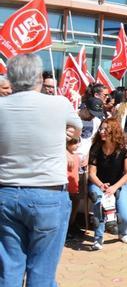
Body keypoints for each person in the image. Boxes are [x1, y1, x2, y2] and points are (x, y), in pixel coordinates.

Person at [0, 54, 81, 285]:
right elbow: (76, 130)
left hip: (6, 193)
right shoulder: (59, 103)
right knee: (42, 272)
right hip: (48, 196)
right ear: (38, 78)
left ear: (11, 79)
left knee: (9, 269)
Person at [88, 116, 127, 250]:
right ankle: (98, 239)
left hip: (119, 183)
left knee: (125, 216)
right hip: (98, 183)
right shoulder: (95, 148)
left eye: (105, 129)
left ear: (114, 131)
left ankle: (123, 233)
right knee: (98, 204)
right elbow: (91, 173)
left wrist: (114, 187)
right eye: (101, 129)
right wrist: (101, 185)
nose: (101, 131)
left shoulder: (125, 148)